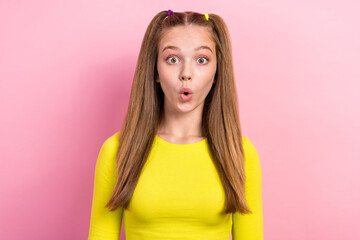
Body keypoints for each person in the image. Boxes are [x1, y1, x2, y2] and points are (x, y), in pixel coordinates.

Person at [88, 10, 263, 240]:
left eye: (202, 60)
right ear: (155, 71)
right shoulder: (116, 151)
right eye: (173, 59)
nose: (186, 74)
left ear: (217, 71)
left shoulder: (240, 154)